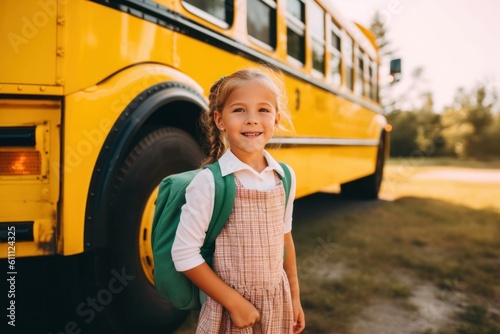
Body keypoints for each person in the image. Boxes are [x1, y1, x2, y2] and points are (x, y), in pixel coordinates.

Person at [172, 68, 305, 333]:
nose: (252, 120)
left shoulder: (284, 177)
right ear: (220, 120)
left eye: (263, 110)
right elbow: (184, 254)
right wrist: (234, 303)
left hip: (276, 306)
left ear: (276, 119)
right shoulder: (210, 183)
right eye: (239, 110)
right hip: (229, 312)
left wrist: (294, 296)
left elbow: (284, 238)